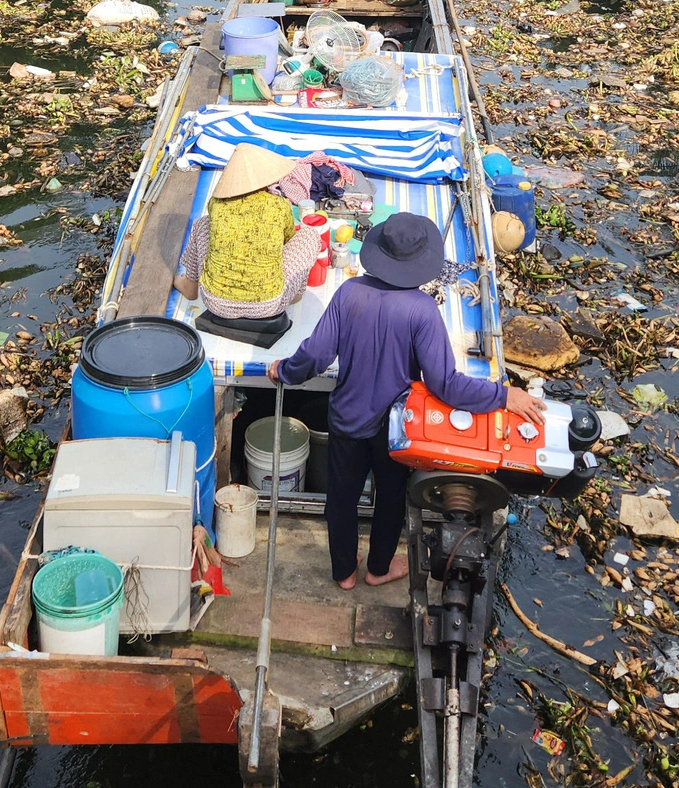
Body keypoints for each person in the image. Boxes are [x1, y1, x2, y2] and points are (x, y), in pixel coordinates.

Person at [272, 212, 544, 590]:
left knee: (341, 499)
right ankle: (378, 568)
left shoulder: (348, 293)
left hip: (347, 421)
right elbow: (446, 384)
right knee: (391, 499)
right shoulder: (422, 311)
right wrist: (502, 395)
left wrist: (283, 371)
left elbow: (315, 355)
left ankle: (344, 573)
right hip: (395, 429)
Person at [174, 144, 318, 322]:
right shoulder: (278, 205)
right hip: (270, 304)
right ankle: (295, 294)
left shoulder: (216, 203)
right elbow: (288, 241)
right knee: (309, 235)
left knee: (203, 223)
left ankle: (190, 284)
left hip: (215, 302)